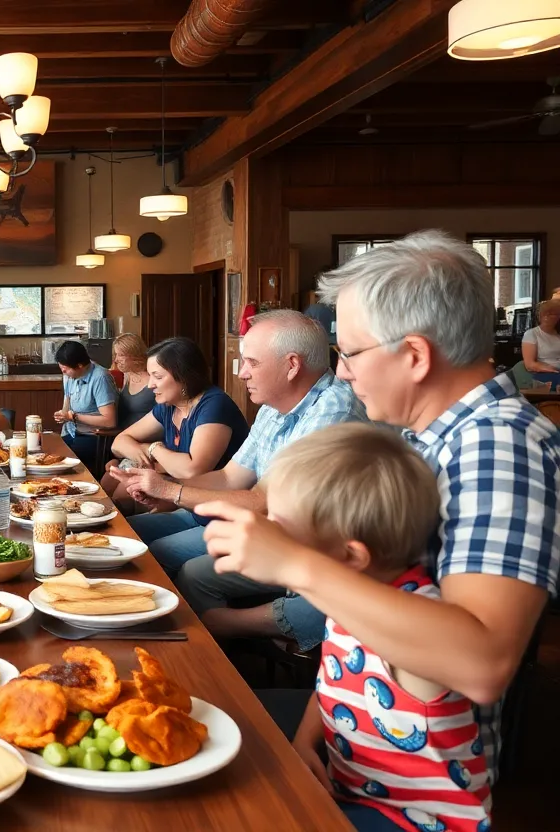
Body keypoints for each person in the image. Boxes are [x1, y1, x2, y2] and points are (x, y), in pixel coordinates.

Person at [197, 230, 558, 790]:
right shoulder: (422, 437)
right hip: (351, 728)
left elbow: (481, 664)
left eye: (350, 352)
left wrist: (293, 562)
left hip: (407, 783)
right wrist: (311, 732)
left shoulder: (497, 444)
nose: (341, 372)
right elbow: (361, 625)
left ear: (414, 355)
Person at [255, 423, 491, 832]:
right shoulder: (348, 594)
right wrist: (305, 739)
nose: (266, 538)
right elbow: (335, 680)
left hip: (419, 823)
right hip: (353, 791)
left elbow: (446, 654)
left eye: (281, 532)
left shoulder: (409, 617)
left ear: (350, 556)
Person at [111, 310, 365, 653]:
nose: (241, 372)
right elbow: (232, 476)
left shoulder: (333, 408)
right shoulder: (274, 407)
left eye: (251, 362)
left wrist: (173, 490)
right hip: (269, 531)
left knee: (189, 573)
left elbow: (264, 501)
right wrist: (171, 494)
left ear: (291, 365)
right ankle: (225, 654)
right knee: (173, 563)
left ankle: (227, 662)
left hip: (307, 547)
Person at [100, 337, 248, 513]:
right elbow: (119, 443)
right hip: (187, 506)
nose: (150, 385)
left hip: (216, 514)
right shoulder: (169, 406)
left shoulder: (214, 405)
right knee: (114, 508)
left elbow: (192, 470)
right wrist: (149, 452)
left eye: (158, 376)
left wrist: (154, 449)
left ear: (183, 377)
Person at [53, 340, 118, 472]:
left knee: (62, 463)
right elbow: (68, 399)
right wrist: (63, 415)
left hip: (94, 437)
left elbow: (110, 420)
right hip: (71, 432)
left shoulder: (100, 378)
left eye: (65, 369)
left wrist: (74, 417)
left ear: (80, 366)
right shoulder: (69, 375)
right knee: (48, 452)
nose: (63, 372)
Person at [111, 333, 154, 433]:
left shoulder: (153, 377)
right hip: (121, 435)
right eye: (116, 354)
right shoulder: (127, 375)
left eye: (121, 355)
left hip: (145, 437)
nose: (116, 360)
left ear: (134, 355)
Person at [521, 298, 560, 389]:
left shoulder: (557, 335)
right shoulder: (532, 334)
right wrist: (551, 369)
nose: (546, 317)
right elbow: (529, 364)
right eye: (544, 314)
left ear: (558, 317)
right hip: (543, 374)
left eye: (551, 314)